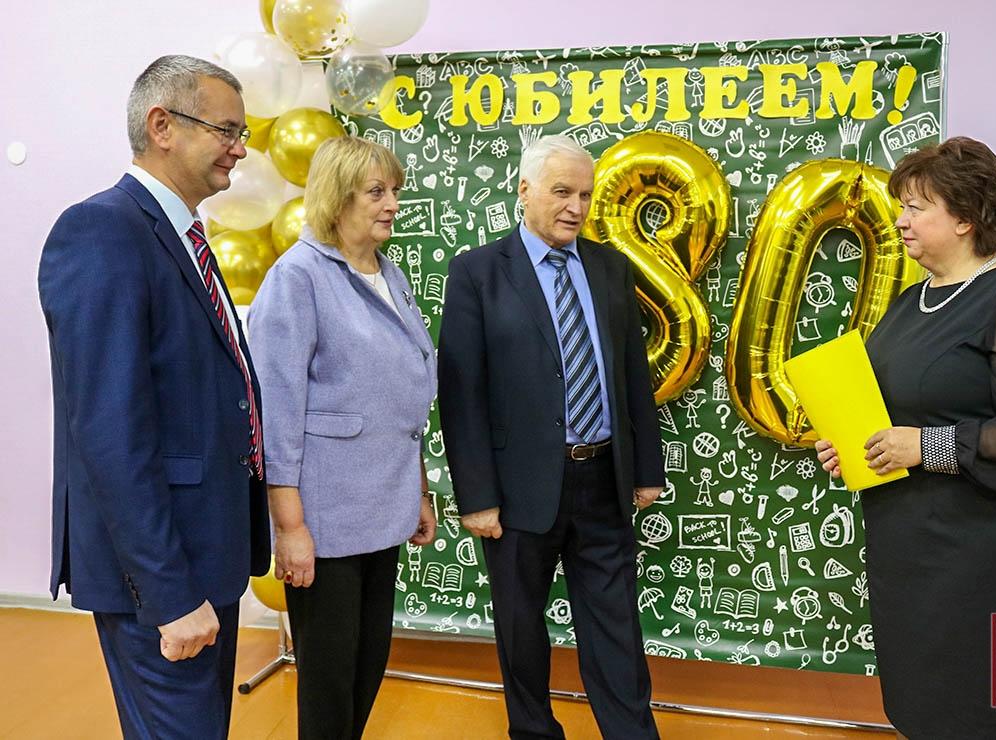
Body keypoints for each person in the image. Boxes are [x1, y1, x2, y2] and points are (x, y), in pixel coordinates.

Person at [38, 56, 271, 738]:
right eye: (226, 130)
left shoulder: (184, 234)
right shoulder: (102, 230)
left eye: (242, 131)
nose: (240, 148)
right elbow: (109, 431)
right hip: (161, 579)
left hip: (206, 555)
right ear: (162, 126)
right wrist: (168, 594)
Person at [816, 136, 996, 738]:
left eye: (915, 207)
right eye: (900, 207)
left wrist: (925, 447)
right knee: (920, 700)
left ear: (964, 218)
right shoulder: (910, 302)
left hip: (992, 548)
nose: (900, 221)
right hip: (907, 540)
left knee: (995, 703)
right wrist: (852, 442)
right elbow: (896, 406)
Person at [438, 134, 666, 739]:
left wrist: (646, 468)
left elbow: (631, 374)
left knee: (617, 626)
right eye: (562, 192)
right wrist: (476, 496)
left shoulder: (611, 267)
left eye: (585, 195)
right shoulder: (477, 272)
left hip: (604, 478)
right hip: (516, 491)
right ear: (524, 190)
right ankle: (533, 732)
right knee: (520, 627)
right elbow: (461, 394)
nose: (576, 207)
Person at [247, 136, 437, 740]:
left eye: (395, 190)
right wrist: (290, 528)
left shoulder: (387, 272)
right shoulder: (297, 277)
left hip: (384, 508)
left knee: (366, 666)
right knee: (330, 684)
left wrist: (420, 492)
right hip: (324, 521)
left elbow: (401, 398)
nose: (392, 204)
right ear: (337, 196)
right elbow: (275, 416)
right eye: (376, 192)